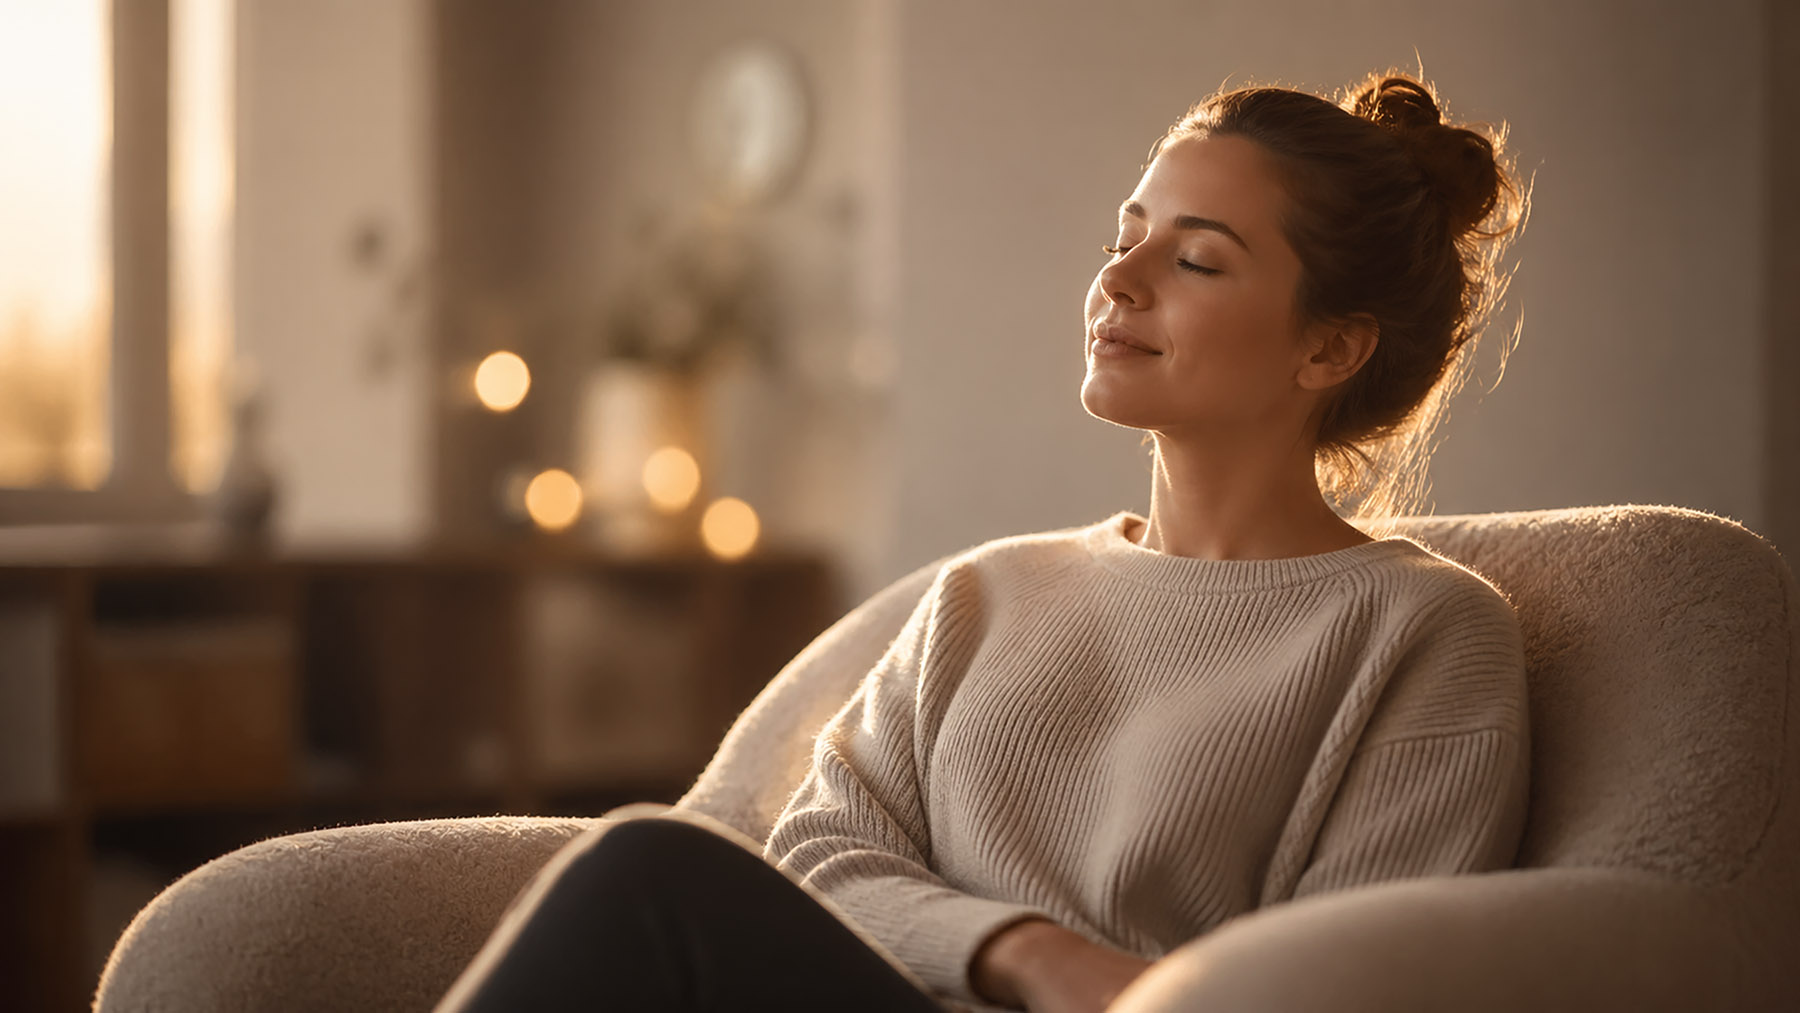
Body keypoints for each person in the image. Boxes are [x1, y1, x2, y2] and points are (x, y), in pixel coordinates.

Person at [434, 68, 1531, 1013]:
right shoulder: (988, 595)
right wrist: (1034, 955)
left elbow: (1349, 977)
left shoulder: (1424, 631)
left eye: (1195, 260)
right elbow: (817, 854)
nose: (1118, 281)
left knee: (648, 871)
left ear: (1330, 348)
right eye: (1124, 237)